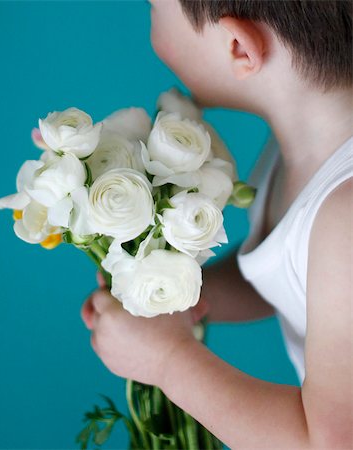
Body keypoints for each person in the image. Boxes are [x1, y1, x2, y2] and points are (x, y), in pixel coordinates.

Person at [81, 0, 353, 447]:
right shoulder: (305, 152)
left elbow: (326, 443)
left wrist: (168, 360)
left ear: (239, 47)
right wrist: (185, 295)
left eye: (153, 7)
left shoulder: (344, 216)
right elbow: (296, 285)